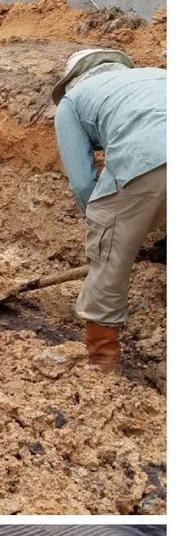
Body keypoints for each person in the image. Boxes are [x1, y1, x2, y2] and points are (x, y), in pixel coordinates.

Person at [51, 46, 167, 368]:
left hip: (150, 158)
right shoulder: (157, 76)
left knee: (108, 267)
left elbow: (82, 183)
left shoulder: (72, 102)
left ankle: (102, 365)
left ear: (71, 81)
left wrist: (106, 230)